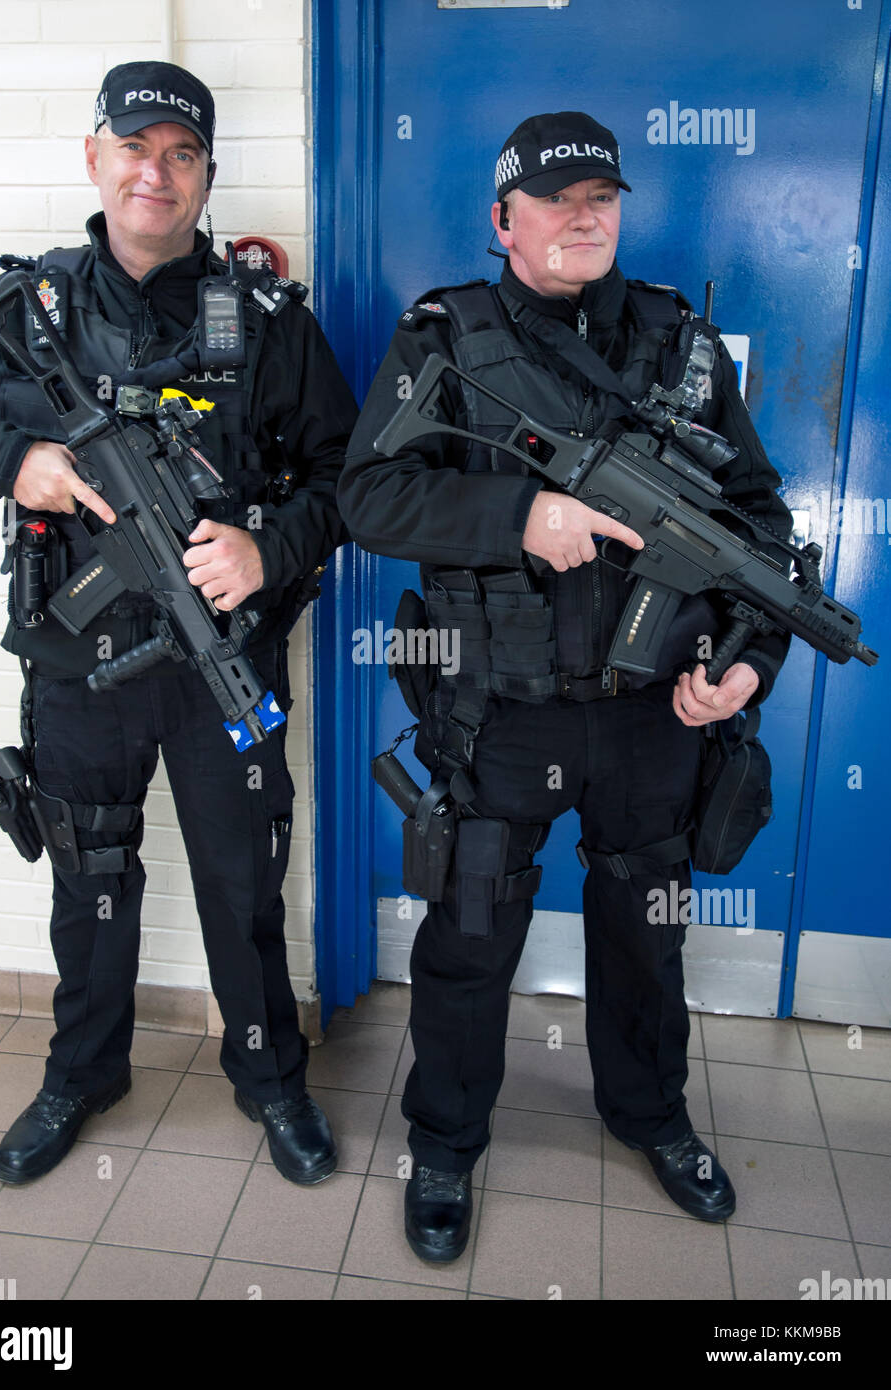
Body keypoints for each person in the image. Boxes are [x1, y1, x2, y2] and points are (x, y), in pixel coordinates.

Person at [339, 111, 793, 1261]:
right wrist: (517, 516)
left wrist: (747, 661)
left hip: (652, 718)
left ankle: (650, 1114)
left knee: (648, 926)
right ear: (503, 220)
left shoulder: (681, 345)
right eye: (556, 198)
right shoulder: (442, 333)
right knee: (473, 925)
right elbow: (368, 498)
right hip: (500, 707)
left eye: (602, 196)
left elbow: (763, 527)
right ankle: (443, 1141)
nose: (584, 214)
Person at [0, 61, 358, 1187]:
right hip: (80, 668)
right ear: (95, 160)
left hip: (226, 658)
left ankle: (267, 1077)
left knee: (241, 880)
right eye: (135, 148)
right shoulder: (24, 314)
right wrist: (19, 460)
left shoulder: (265, 322)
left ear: (208, 174)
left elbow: (349, 480)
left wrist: (269, 548)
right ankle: (83, 1070)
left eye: (181, 154)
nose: (154, 174)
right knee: (92, 875)